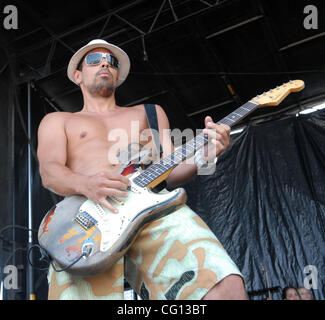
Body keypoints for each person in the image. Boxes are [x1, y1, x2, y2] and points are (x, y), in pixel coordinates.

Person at [37, 39, 247, 300]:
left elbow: (170, 171)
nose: (105, 62)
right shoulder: (58, 121)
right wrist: (86, 184)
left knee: (223, 288)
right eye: (94, 59)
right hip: (87, 226)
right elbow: (49, 171)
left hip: (152, 211)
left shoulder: (149, 113)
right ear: (77, 75)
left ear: (118, 75)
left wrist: (206, 156)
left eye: (111, 61)